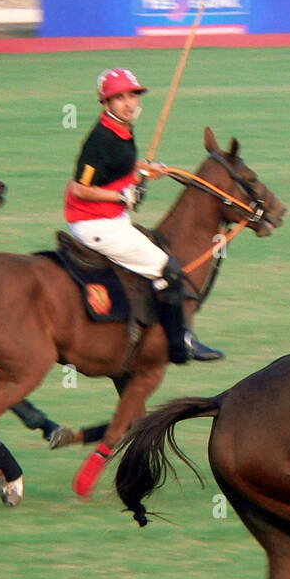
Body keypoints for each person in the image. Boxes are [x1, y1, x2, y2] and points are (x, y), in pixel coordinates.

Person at [65, 67, 221, 363]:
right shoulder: (100, 140)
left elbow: (119, 164)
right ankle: (180, 344)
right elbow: (79, 188)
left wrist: (143, 168)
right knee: (171, 272)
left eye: (132, 96)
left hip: (112, 219)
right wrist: (121, 195)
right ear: (106, 103)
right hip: (97, 224)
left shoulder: (120, 130)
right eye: (119, 98)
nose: (128, 103)